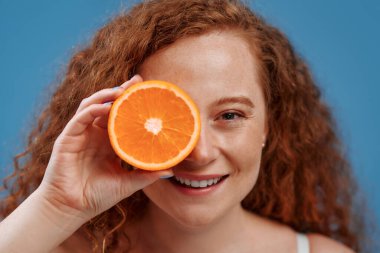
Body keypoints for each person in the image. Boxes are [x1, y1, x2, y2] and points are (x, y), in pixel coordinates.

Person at [0, 0, 369, 252]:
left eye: (230, 116)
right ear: (121, 122)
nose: (199, 152)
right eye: (173, 118)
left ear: (269, 126)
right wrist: (58, 208)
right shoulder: (52, 244)